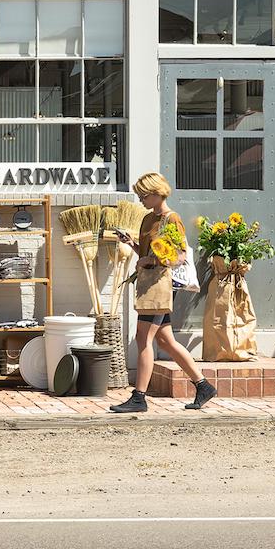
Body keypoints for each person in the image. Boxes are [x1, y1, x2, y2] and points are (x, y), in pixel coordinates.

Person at [111, 172, 217, 413]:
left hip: (160, 285)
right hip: (148, 283)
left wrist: (152, 259)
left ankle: (139, 397)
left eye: (144, 195)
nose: (141, 200)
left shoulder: (173, 219)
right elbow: (145, 254)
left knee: (143, 339)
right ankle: (203, 385)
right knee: (165, 341)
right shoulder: (148, 220)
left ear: (158, 193)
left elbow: (179, 256)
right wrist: (132, 244)